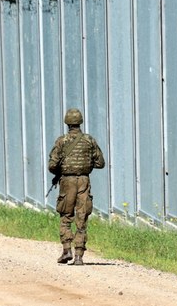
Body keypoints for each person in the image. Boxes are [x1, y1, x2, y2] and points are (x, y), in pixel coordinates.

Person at [48, 108, 105, 265]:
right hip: (84, 182)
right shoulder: (89, 140)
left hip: (67, 182)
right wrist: (86, 165)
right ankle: (79, 255)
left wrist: (62, 170)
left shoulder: (62, 141)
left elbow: (52, 165)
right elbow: (100, 163)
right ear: (80, 122)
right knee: (82, 216)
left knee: (66, 216)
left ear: (67, 123)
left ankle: (67, 250)